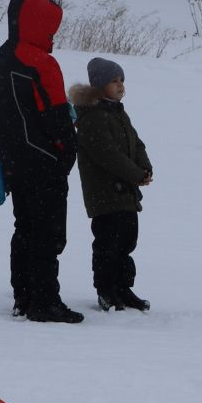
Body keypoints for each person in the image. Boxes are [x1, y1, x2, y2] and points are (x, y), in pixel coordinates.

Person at [0, 0, 82, 322]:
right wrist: (67, 152)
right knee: (48, 233)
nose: (53, 36)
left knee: (24, 228)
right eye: (51, 28)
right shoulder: (41, 62)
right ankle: (45, 302)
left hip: (12, 161)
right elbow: (56, 116)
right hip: (44, 163)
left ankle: (23, 297)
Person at [70, 56, 154, 312]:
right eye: (113, 81)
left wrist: (145, 167)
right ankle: (106, 290)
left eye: (122, 80)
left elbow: (135, 143)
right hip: (105, 195)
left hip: (126, 193)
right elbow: (108, 155)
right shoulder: (92, 117)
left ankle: (123, 287)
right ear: (98, 85)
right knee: (108, 244)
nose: (120, 85)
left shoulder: (118, 113)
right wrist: (135, 174)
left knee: (127, 242)